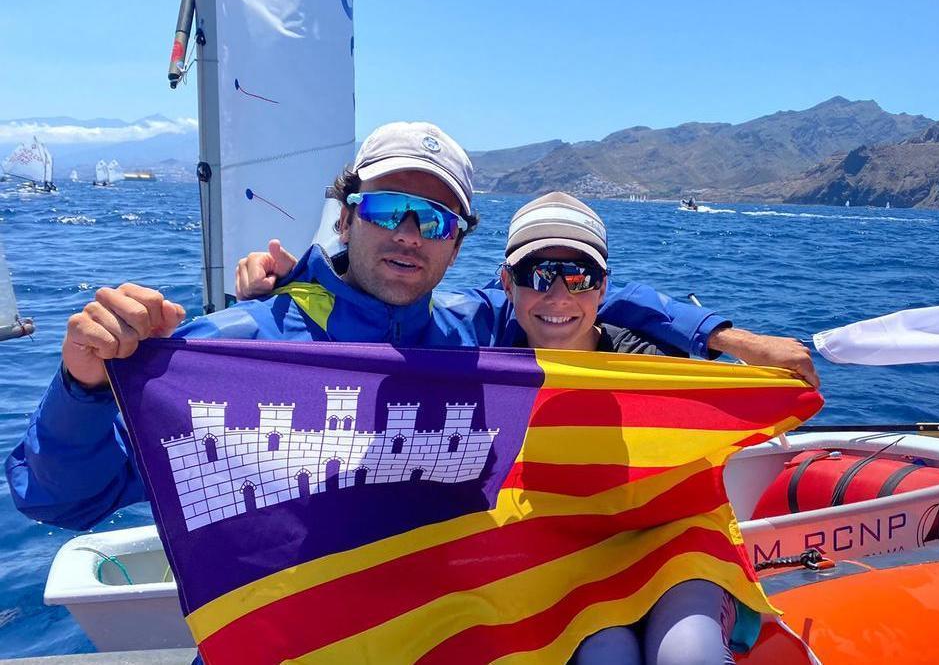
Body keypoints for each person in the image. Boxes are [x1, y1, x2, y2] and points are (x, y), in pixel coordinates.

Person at [7, 121, 816, 531]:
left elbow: (583, 288)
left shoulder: (471, 328)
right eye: (388, 208)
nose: (407, 234)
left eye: (432, 218)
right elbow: (59, 500)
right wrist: (82, 378)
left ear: (460, 241)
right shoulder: (235, 349)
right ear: (347, 213)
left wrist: (722, 336)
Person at [497, 192, 745, 665]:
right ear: (508, 283)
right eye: (538, 274)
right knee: (605, 656)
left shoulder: (652, 370)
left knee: (688, 656)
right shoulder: (485, 362)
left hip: (668, 549)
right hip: (560, 560)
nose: (559, 296)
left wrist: (738, 349)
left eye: (578, 277)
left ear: (602, 287)